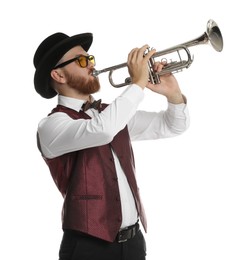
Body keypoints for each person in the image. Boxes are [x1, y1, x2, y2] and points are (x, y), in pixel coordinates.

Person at [33, 32, 190, 260]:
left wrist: (173, 94)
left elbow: (173, 126)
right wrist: (137, 84)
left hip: (134, 243)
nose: (91, 65)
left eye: (91, 59)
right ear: (58, 74)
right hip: (87, 247)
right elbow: (102, 130)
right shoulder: (51, 126)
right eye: (82, 60)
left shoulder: (111, 114)